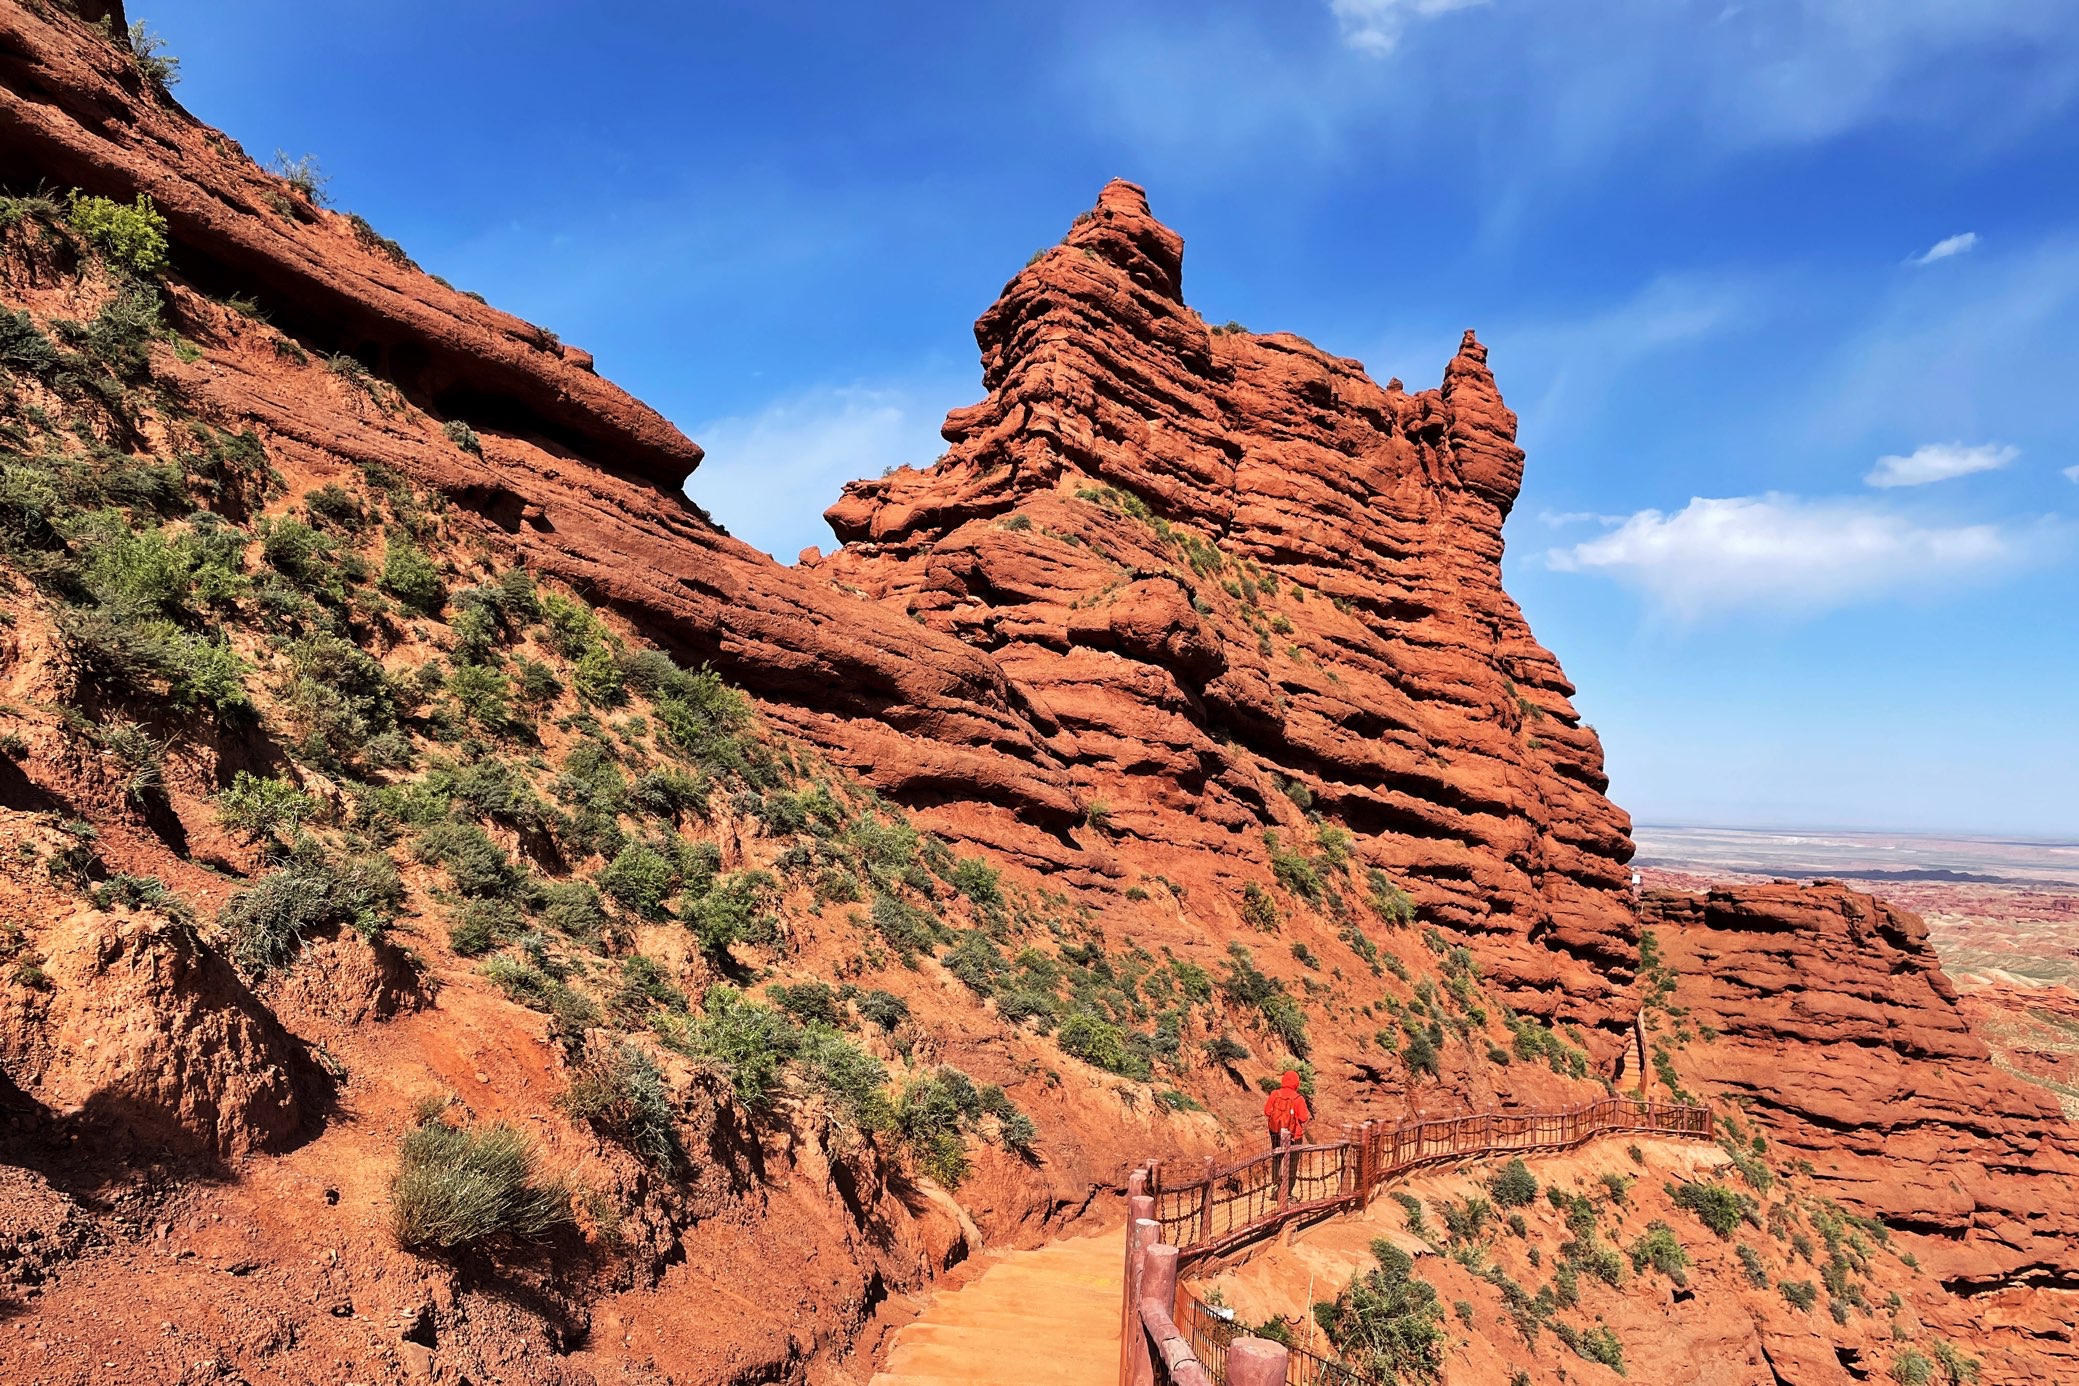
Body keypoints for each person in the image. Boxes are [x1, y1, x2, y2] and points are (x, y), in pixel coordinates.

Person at [1263, 1070, 1311, 1189]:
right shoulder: (1298, 1098)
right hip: (1294, 1135)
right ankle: (1287, 1192)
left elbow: (1267, 1111)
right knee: (1292, 1163)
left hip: (1276, 1132)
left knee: (1277, 1158)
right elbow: (1304, 1118)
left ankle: (1276, 1186)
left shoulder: (1275, 1094)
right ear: (1297, 1083)